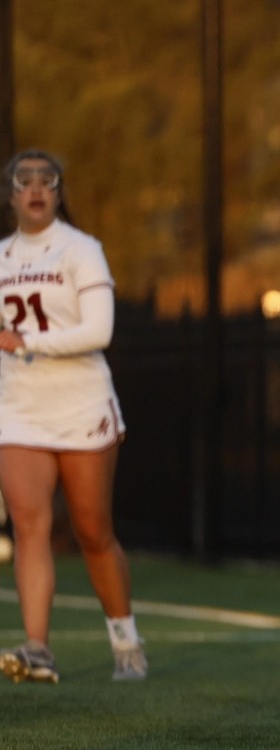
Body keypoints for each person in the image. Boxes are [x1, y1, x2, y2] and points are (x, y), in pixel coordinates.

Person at [0, 150, 145, 684]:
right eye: (24, 181)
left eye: (47, 180)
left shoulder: (81, 250)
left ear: (58, 192)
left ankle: (125, 639)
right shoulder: (1, 258)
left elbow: (98, 331)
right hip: (19, 406)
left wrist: (25, 340)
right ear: (11, 194)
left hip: (82, 403)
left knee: (92, 530)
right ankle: (38, 648)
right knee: (29, 524)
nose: (36, 189)